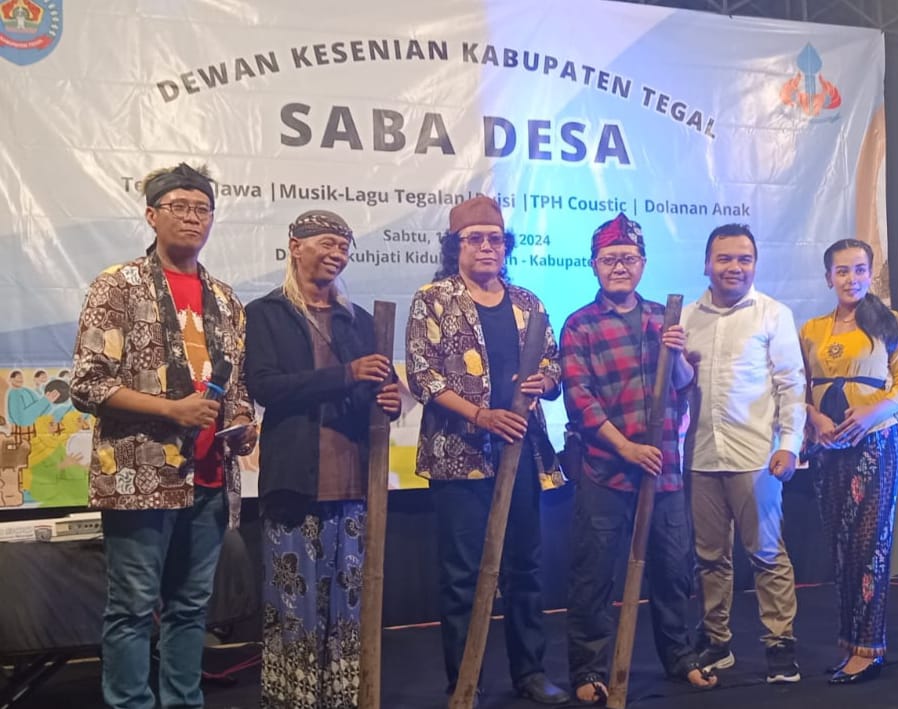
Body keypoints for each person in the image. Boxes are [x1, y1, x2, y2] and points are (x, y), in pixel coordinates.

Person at [70, 163, 257, 709]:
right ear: (152, 215)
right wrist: (172, 410)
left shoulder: (225, 298)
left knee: (190, 609)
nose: (192, 218)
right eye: (179, 207)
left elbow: (235, 385)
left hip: (210, 477)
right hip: (140, 475)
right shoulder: (118, 285)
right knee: (131, 608)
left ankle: (183, 701)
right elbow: (88, 383)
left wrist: (242, 425)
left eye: (202, 209)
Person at [405, 195, 569, 707]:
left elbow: (554, 364)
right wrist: (481, 416)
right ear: (454, 246)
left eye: (495, 238)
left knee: (525, 567)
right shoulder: (433, 299)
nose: (486, 247)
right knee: (462, 576)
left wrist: (546, 380)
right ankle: (465, 681)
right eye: (474, 238)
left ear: (506, 245)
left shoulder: (528, 302)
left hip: (521, 452)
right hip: (459, 455)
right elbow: (423, 376)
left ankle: (531, 672)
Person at [245, 210, 402, 708]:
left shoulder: (357, 321)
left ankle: (343, 698)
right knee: (295, 603)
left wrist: (387, 400)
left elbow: (374, 392)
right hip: (294, 483)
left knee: (348, 604)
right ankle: (294, 700)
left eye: (344, 246)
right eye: (328, 243)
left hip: (353, 482)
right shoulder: (267, 313)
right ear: (295, 245)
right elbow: (265, 387)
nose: (338, 254)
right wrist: (346, 374)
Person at [561, 213, 717, 705]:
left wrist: (679, 356)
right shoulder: (580, 325)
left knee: (672, 571)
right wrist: (625, 448)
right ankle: (589, 670)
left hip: (664, 472)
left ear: (643, 264)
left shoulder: (662, 319)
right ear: (594, 265)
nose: (619, 267)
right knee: (594, 576)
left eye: (628, 258)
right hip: (606, 471)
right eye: (609, 259)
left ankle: (680, 658)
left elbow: (684, 387)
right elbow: (580, 400)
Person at [681, 224, 806, 683]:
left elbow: (792, 384)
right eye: (725, 258)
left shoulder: (773, 314)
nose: (734, 267)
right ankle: (717, 643)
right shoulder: (686, 319)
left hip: (757, 457)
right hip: (699, 457)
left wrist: (789, 445)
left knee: (768, 555)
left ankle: (780, 646)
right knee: (709, 558)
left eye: (744, 259)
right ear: (707, 264)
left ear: (755, 264)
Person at [799, 238, 898, 685]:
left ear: (871, 274)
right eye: (842, 271)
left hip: (874, 442)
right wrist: (813, 416)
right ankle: (850, 643)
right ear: (828, 277)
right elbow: (799, 386)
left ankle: (870, 648)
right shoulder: (811, 329)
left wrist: (871, 412)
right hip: (828, 447)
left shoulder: (890, 323)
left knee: (871, 546)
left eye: (859, 270)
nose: (851, 278)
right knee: (840, 548)